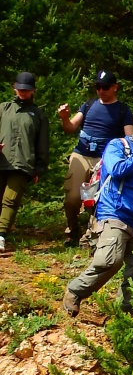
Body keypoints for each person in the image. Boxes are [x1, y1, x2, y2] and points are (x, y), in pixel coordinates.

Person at [61, 117, 133, 316]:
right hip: (113, 212)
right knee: (110, 260)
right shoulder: (117, 145)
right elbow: (116, 170)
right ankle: (75, 291)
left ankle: (123, 313)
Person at [58, 71, 133, 245]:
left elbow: (130, 138)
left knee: (95, 200)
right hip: (81, 155)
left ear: (115, 87)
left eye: (105, 87)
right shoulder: (89, 105)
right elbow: (70, 127)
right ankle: (72, 229)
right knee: (72, 198)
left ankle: (90, 235)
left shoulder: (123, 110)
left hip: (104, 160)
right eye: (98, 87)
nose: (101, 91)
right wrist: (64, 118)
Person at [0, 73, 49, 256]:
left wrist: (40, 168)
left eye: (26, 90)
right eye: (20, 88)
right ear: (14, 87)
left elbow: (42, 144)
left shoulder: (39, 115)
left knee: (10, 200)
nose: (23, 92)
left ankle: (1, 236)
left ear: (33, 91)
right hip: (1, 161)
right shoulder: (3, 109)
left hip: (22, 165)